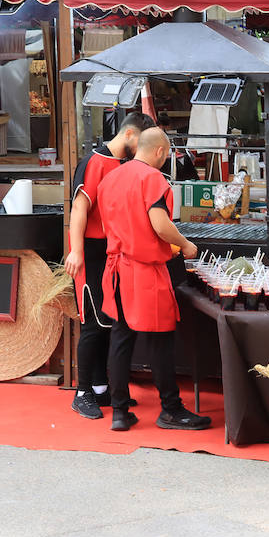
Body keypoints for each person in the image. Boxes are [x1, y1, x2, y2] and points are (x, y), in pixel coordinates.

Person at [99, 127, 210, 432]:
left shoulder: (111, 178)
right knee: (160, 341)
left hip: (116, 268)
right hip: (144, 270)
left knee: (121, 339)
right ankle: (171, 410)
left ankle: (120, 411)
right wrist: (186, 245)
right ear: (160, 151)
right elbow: (160, 225)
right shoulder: (152, 179)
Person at [63, 111, 156, 419]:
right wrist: (75, 251)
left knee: (108, 320)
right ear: (129, 135)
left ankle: (102, 389)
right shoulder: (93, 162)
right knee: (92, 323)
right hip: (90, 250)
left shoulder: (124, 164)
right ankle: (82, 392)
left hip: (114, 251)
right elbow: (79, 208)